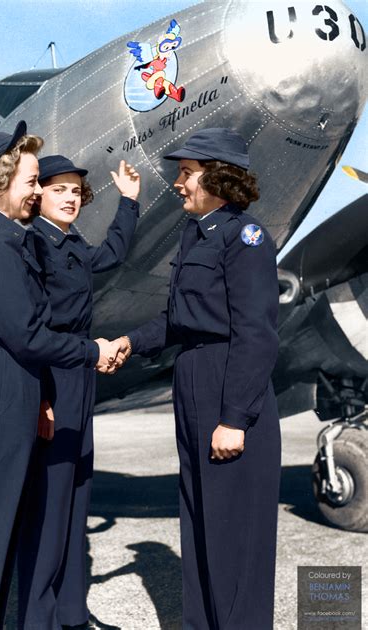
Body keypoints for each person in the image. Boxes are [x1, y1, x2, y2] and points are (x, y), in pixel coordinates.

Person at [0, 122, 117, 630]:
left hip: (15, 386)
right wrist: (92, 351)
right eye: (33, 181)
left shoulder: (8, 239)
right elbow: (26, 336)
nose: (39, 191)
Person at [109, 128, 281, 630]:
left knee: (234, 538)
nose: (179, 184)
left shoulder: (246, 238)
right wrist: (129, 342)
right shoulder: (196, 234)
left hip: (229, 383)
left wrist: (234, 418)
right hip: (192, 380)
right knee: (201, 526)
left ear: (218, 178)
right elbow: (179, 319)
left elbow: (255, 334)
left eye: (187, 174)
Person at [18, 155, 140, 630]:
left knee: (75, 498)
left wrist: (129, 202)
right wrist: (43, 397)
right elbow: (31, 328)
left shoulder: (68, 242)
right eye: (59, 189)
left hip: (79, 378)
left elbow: (109, 255)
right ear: (38, 195)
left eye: (75, 191)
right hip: (53, 377)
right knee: (49, 507)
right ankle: (38, 619)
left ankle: (71, 614)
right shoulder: (33, 245)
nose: (70, 198)